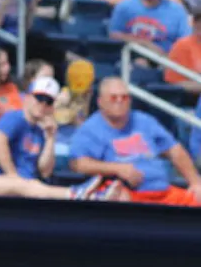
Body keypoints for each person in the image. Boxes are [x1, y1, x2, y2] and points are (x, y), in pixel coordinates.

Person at [69, 77, 201, 206]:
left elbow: (174, 150)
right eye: (113, 97)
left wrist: (195, 183)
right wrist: (117, 169)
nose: (120, 101)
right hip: (126, 195)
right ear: (100, 101)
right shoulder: (91, 128)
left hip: (163, 192)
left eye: (124, 97)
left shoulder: (144, 121)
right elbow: (78, 164)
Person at [0, 75, 60, 181]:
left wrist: (50, 138)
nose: (43, 104)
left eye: (49, 101)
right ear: (27, 97)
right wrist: (13, 176)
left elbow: (45, 172)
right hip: (9, 184)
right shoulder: (15, 117)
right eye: (40, 98)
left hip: (30, 184)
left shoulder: (40, 131)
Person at [109, 0, 188, 51]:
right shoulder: (124, 7)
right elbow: (114, 34)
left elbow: (186, 40)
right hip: (130, 57)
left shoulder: (176, 10)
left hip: (164, 59)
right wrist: (145, 44)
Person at [165, 7, 201, 91]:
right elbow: (175, 82)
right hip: (186, 94)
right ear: (193, 22)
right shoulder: (182, 45)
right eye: (198, 20)